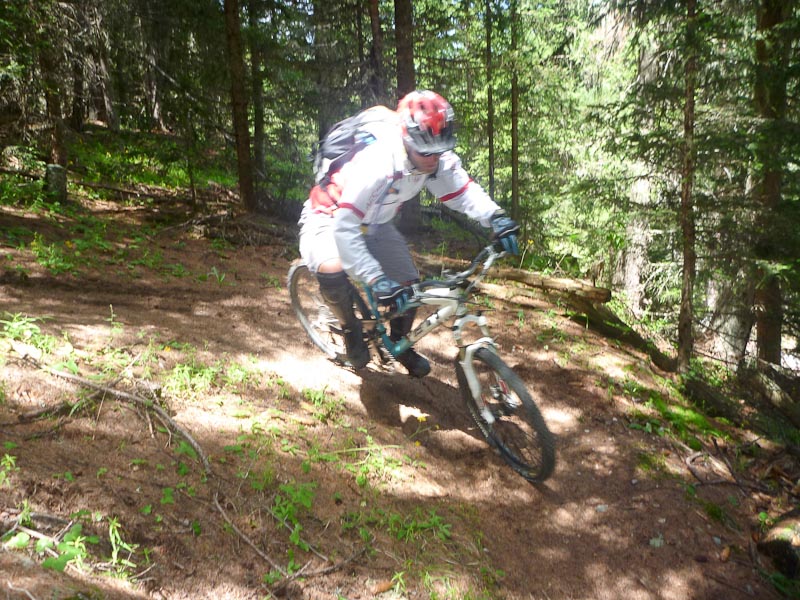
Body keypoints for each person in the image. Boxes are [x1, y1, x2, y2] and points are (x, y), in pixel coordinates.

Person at [297, 89, 519, 377]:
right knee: (332, 268)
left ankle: (399, 343)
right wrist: (375, 277)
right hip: (330, 215)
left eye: (439, 150)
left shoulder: (434, 152)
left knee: (408, 282)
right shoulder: (378, 163)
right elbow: (345, 226)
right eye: (425, 151)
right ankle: (350, 329)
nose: (433, 159)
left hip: (376, 224)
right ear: (406, 139)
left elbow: (462, 191)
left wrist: (496, 217)